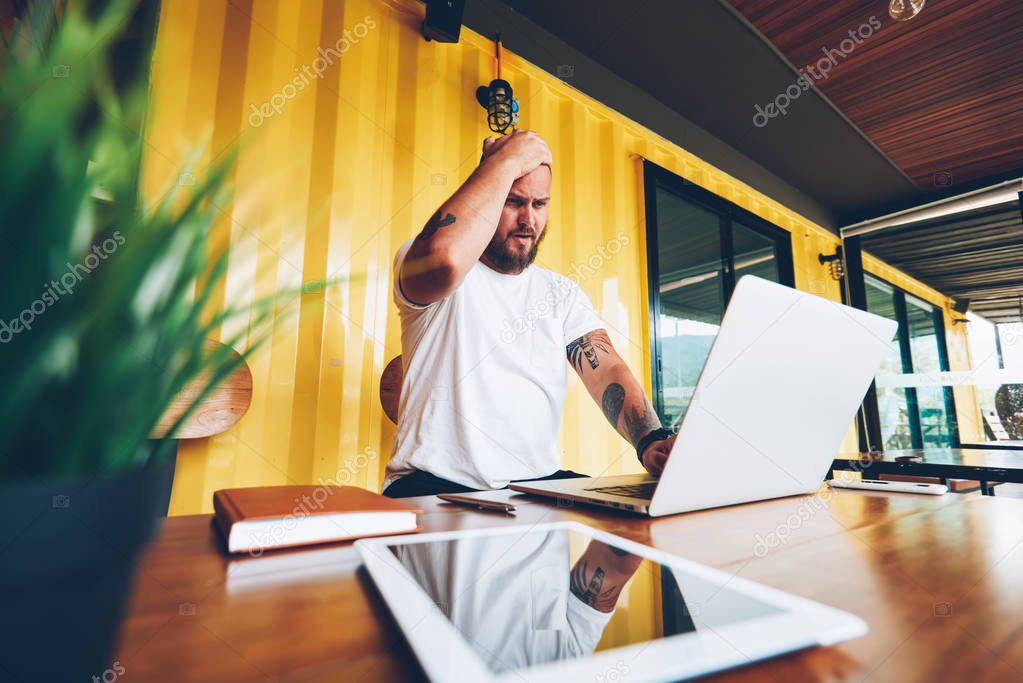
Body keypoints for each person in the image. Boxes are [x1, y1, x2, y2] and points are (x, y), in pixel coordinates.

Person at [383, 129, 676, 498]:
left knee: (637, 513)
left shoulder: (561, 293)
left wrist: (651, 439)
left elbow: (607, 369)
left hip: (535, 484)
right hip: (431, 485)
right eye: (513, 201)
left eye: (539, 205)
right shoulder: (428, 259)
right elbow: (443, 261)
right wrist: (503, 163)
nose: (528, 220)